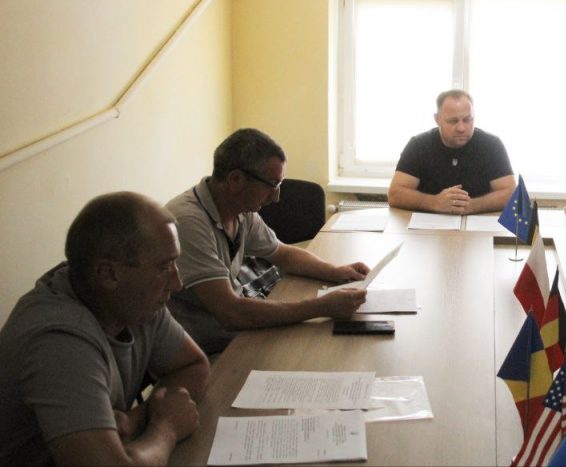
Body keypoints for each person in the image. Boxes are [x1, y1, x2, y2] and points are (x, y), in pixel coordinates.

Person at [0, 192, 210, 466]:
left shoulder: (134, 301)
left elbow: (194, 366)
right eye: (164, 266)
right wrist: (166, 427)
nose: (177, 282)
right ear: (108, 274)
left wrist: (136, 419)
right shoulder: (58, 341)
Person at [167, 128, 368, 355]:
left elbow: (283, 254)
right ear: (235, 179)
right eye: (272, 184)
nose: (276, 197)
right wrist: (321, 307)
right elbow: (231, 313)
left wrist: (336, 271)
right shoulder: (188, 222)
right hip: (203, 351)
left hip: (234, 333)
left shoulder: (239, 209)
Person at [388, 89, 515, 215]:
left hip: (478, 223)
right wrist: (434, 203)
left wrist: (472, 206)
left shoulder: (491, 145)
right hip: (429, 224)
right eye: (453, 121)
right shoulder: (419, 145)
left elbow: (511, 193)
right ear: (437, 119)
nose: (461, 128)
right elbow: (395, 194)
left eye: (467, 120)